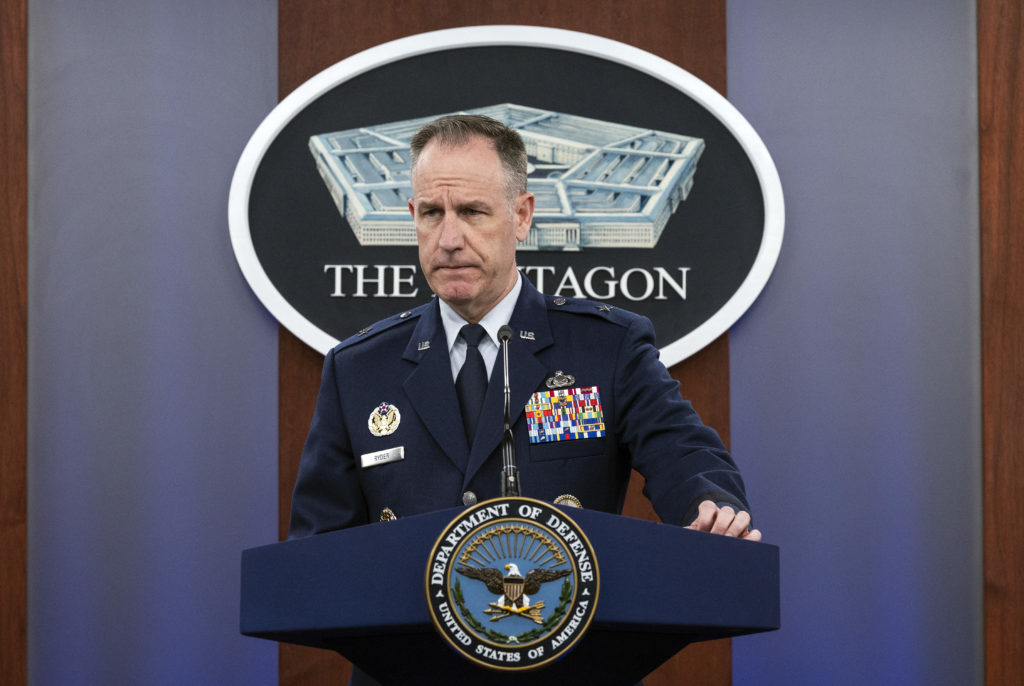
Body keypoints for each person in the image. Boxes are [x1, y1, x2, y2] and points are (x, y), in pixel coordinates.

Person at [289, 114, 760, 542]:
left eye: (472, 212)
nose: (449, 240)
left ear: (521, 216)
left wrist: (712, 507)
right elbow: (315, 552)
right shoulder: (359, 370)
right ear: (413, 215)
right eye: (432, 213)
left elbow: (684, 454)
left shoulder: (605, 348)